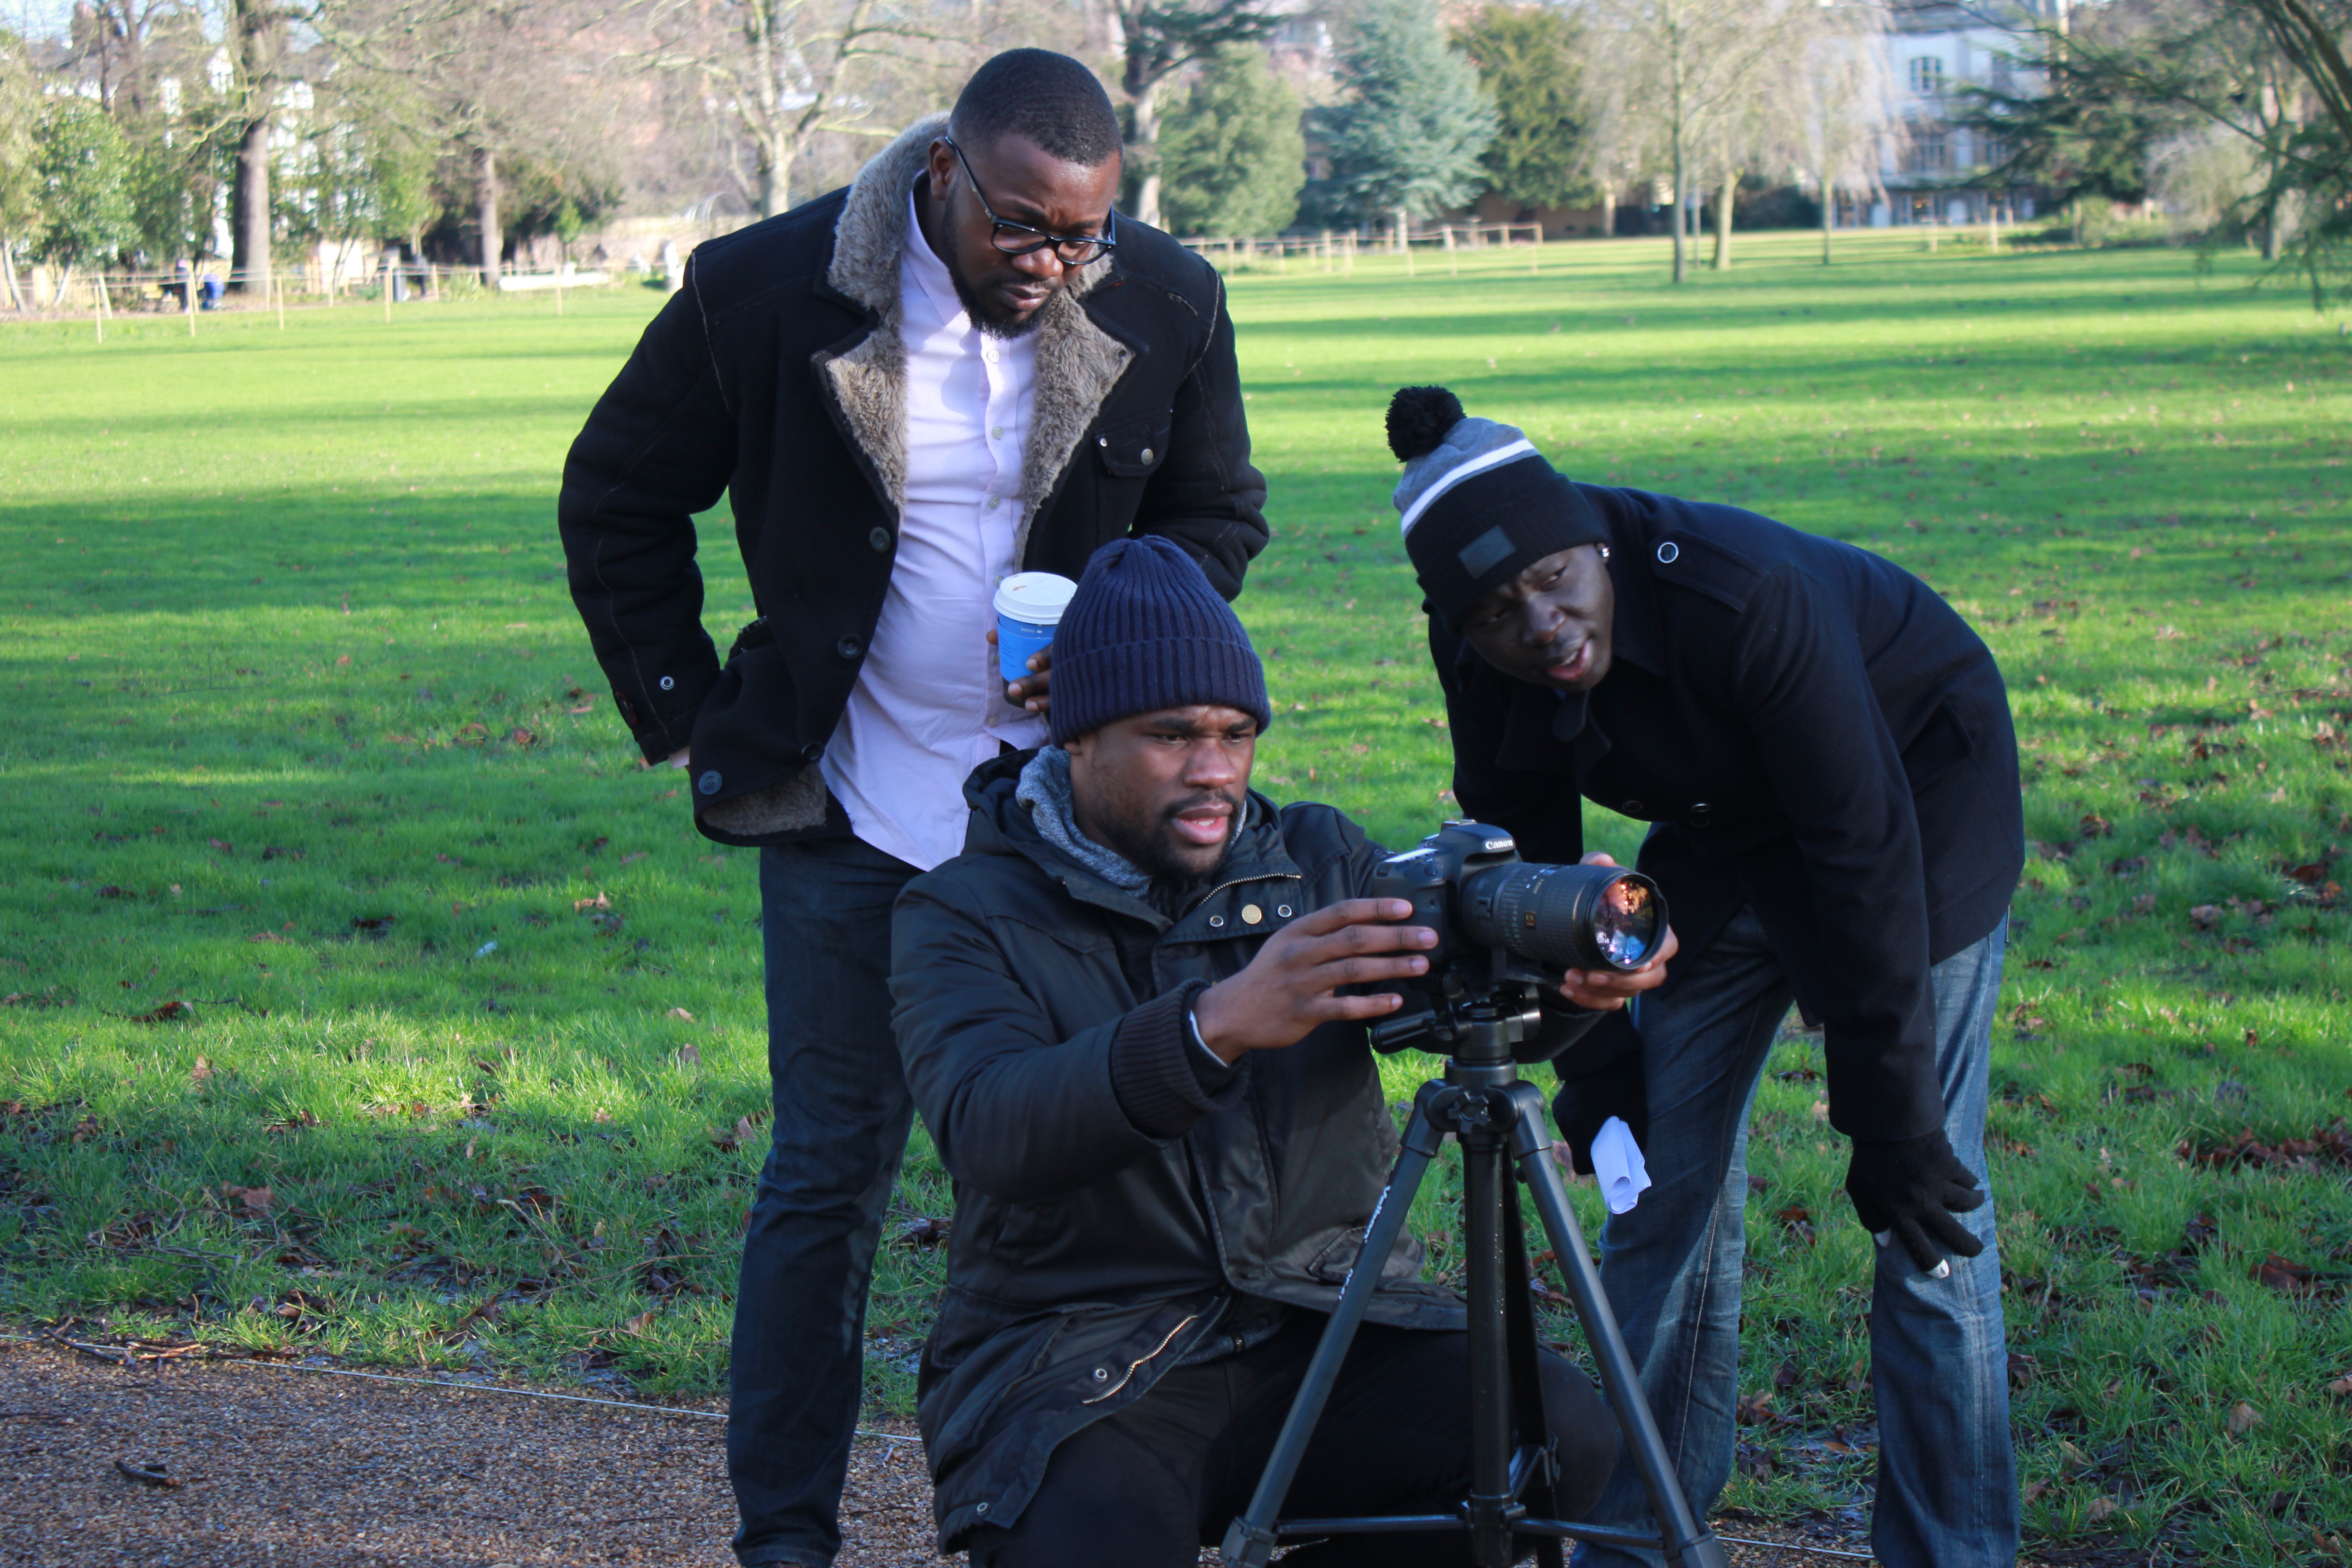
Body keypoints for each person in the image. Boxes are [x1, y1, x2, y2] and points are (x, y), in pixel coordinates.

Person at [555, 50, 1267, 1568]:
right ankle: (787, 1538)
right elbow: (616, 484)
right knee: (827, 1180)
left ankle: (1073, 1509)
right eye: (1023, 226)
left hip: (1063, 840)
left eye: (1082, 233)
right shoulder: (767, 290)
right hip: (850, 825)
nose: (1055, 263)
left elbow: (1218, 514)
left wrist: (1113, 636)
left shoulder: (1166, 298)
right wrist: (687, 714)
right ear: (945, 170)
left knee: (1094, 1168)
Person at [891, 536, 1668, 1568]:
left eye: (1236, 732)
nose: (1214, 770)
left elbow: (1451, 1015)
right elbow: (993, 1129)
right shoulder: (961, 910)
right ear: (1076, 738)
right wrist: (1214, 1026)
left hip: (1322, 1319)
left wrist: (1571, 994)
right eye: (1172, 736)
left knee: (1559, 1443)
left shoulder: (1315, 859)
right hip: (1079, 1358)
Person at [1384, 386, 2025, 1568]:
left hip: (1918, 811)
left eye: (1555, 580)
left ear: (1593, 536)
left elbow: (1863, 849)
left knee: (1928, 1217)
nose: (1543, 625)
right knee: (1656, 1179)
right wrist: (1594, 1059)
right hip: (1728, 839)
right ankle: (1638, 1540)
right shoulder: (1479, 642)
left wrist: (1889, 1120)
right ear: (1456, 625)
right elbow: (1521, 859)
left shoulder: (1744, 596)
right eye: (1496, 613)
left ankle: (1956, 1551)